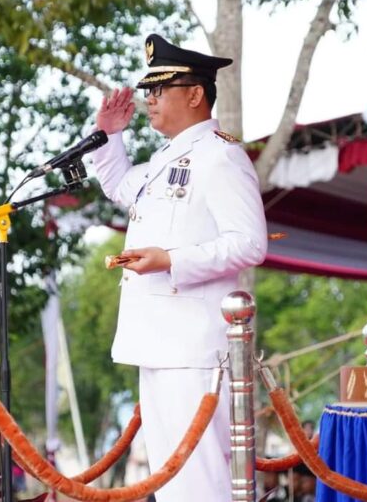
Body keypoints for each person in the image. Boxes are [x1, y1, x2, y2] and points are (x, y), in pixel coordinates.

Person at [92, 33, 268, 501]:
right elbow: (118, 186)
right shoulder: (163, 161)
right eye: (148, 91)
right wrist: (109, 133)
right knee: (171, 482)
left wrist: (172, 260)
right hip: (157, 343)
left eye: (159, 91)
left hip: (194, 348)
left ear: (194, 94)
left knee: (201, 481)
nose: (149, 100)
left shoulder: (221, 156)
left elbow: (250, 243)